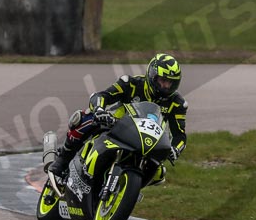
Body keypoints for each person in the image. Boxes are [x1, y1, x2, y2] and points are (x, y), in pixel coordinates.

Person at [48, 53, 187, 180]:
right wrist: (99, 109)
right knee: (84, 118)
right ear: (152, 76)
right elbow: (102, 96)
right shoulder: (131, 84)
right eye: (162, 80)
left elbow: (180, 136)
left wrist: (175, 149)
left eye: (170, 83)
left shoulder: (177, 103)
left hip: (145, 142)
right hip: (114, 126)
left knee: (159, 173)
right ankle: (62, 160)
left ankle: (129, 190)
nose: (165, 86)